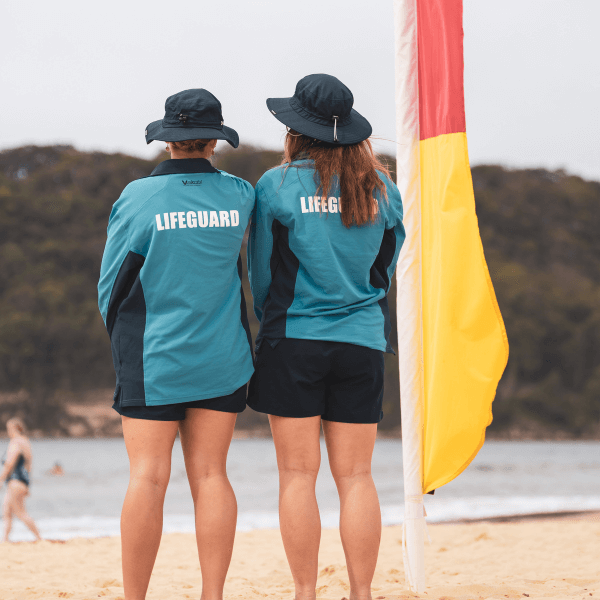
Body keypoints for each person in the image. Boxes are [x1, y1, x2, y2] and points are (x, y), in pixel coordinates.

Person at [247, 74, 405, 600]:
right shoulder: (384, 189)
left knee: (297, 475)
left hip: (294, 339)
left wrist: (267, 326)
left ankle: (306, 593)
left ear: (297, 129)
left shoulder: (276, 185)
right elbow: (384, 269)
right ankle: (361, 593)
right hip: (362, 341)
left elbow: (264, 275)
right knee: (357, 476)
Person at [98, 89, 254, 600]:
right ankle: (212, 595)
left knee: (146, 478)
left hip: (153, 355)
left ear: (168, 141)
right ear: (214, 140)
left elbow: (112, 286)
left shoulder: (138, 196)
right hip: (223, 356)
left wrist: (120, 339)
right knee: (211, 475)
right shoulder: (239, 194)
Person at [0, 417, 41, 542]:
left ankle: (39, 538)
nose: (8, 431)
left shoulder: (16, 442)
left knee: (20, 512)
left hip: (15, 481)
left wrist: (1, 479)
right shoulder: (25, 442)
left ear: (14, 428)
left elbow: (10, 463)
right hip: (22, 481)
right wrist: (27, 485)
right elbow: (29, 466)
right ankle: (5, 539)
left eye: (9, 428)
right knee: (7, 511)